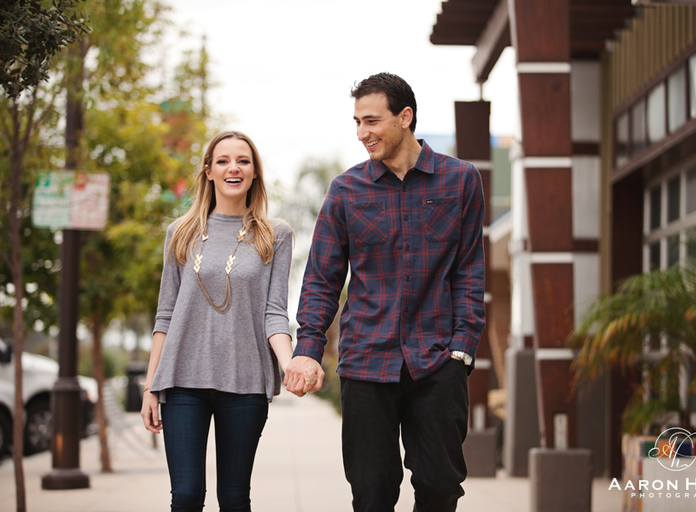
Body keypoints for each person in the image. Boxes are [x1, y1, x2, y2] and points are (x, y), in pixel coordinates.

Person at [284, 72, 486, 512]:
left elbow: (470, 271)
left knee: (440, 488)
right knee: (371, 494)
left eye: (372, 120)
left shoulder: (460, 181)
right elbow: (322, 277)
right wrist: (308, 349)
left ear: (405, 117)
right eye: (357, 122)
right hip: (366, 363)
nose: (362, 133)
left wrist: (462, 351)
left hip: (437, 362)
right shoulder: (346, 191)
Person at [140, 131, 294, 512]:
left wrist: (291, 365)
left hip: (244, 381)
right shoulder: (181, 232)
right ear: (208, 171)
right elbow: (166, 313)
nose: (233, 168)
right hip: (181, 381)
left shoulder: (275, 235)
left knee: (234, 497)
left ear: (255, 172)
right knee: (188, 495)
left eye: (243, 160)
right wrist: (150, 387)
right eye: (223, 160)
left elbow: (274, 312)